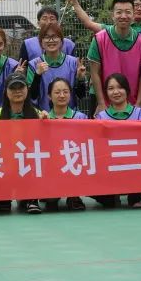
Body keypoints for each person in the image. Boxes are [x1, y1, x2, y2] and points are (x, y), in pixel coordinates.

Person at [84, 0, 141, 116]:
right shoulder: (99, 39)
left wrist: (139, 103)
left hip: (131, 103)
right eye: (119, 12)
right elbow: (94, 72)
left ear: (133, 15)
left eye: (128, 12)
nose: (123, 16)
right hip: (104, 103)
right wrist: (101, 103)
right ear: (112, 15)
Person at [0, 72, 48, 214]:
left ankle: (32, 198)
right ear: (6, 91)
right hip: (5, 161)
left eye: (21, 87)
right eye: (13, 88)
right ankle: (4, 196)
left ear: (27, 89)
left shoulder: (38, 114)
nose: (17, 91)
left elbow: (45, 144)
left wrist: (46, 124)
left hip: (28, 161)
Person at [93, 73, 141, 209]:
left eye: (120, 87)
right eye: (111, 88)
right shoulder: (101, 117)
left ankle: (134, 196)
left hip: (136, 165)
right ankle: (112, 195)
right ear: (106, 93)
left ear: (127, 90)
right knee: (107, 201)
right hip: (111, 166)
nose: (116, 92)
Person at [46, 77, 88, 211]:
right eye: (57, 92)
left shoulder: (81, 118)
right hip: (52, 166)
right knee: (50, 202)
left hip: (75, 163)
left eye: (65, 92)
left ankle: (74, 195)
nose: (62, 95)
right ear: (49, 96)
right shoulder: (43, 119)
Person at [26, 22, 86, 112]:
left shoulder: (74, 63)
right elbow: (32, 96)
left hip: (70, 116)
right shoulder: (34, 64)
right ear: (41, 42)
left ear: (61, 40)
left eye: (54, 36)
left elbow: (81, 96)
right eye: (46, 37)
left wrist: (80, 79)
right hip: (45, 115)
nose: (51, 40)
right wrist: (37, 75)